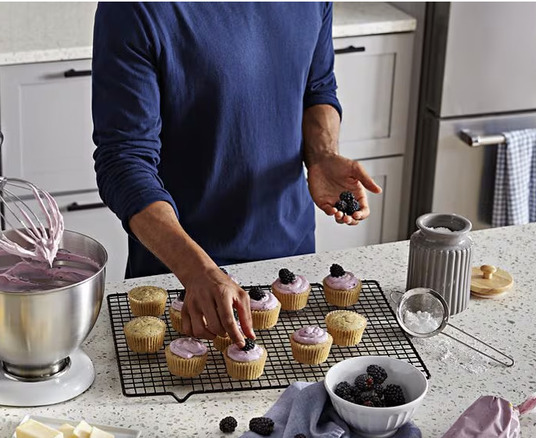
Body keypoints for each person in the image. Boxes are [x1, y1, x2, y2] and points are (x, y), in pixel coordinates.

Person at [91, 3, 382, 349]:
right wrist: (196, 270)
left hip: (290, 265)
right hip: (183, 281)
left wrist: (322, 155)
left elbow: (316, 86)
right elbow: (123, 161)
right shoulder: (134, 9)